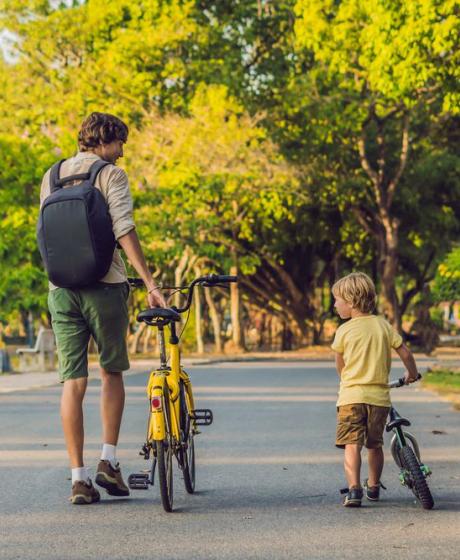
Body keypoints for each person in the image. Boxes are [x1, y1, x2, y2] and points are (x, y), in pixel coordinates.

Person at [40, 112, 166, 504]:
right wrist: (149, 283)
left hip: (60, 288)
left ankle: (78, 478)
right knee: (111, 372)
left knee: (72, 381)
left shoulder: (52, 175)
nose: (122, 153)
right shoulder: (110, 175)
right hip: (105, 285)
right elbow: (123, 229)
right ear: (106, 141)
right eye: (120, 144)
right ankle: (108, 461)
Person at [331, 272, 419, 507]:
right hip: (379, 399)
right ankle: (373, 486)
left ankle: (354, 490)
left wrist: (347, 380)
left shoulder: (344, 331)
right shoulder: (383, 325)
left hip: (351, 397)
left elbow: (340, 364)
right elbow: (406, 354)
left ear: (350, 301)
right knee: (374, 445)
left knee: (352, 444)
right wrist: (411, 374)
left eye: (337, 299)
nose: (335, 304)